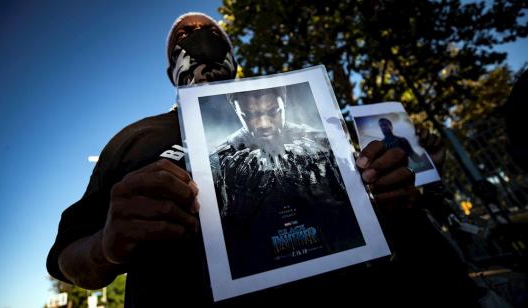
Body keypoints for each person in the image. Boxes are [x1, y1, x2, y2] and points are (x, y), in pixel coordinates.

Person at [47, 12, 478, 307]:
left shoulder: (314, 119)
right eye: (184, 38)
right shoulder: (135, 140)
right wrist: (107, 244)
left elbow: (377, 202)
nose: (198, 40)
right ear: (170, 70)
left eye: (212, 35)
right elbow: (69, 258)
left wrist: (387, 188)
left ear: (233, 58)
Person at [210, 86, 364, 279]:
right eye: (249, 115)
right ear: (236, 110)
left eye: (273, 112)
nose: (263, 123)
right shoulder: (218, 159)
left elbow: (350, 209)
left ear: (285, 103)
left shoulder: (321, 142)